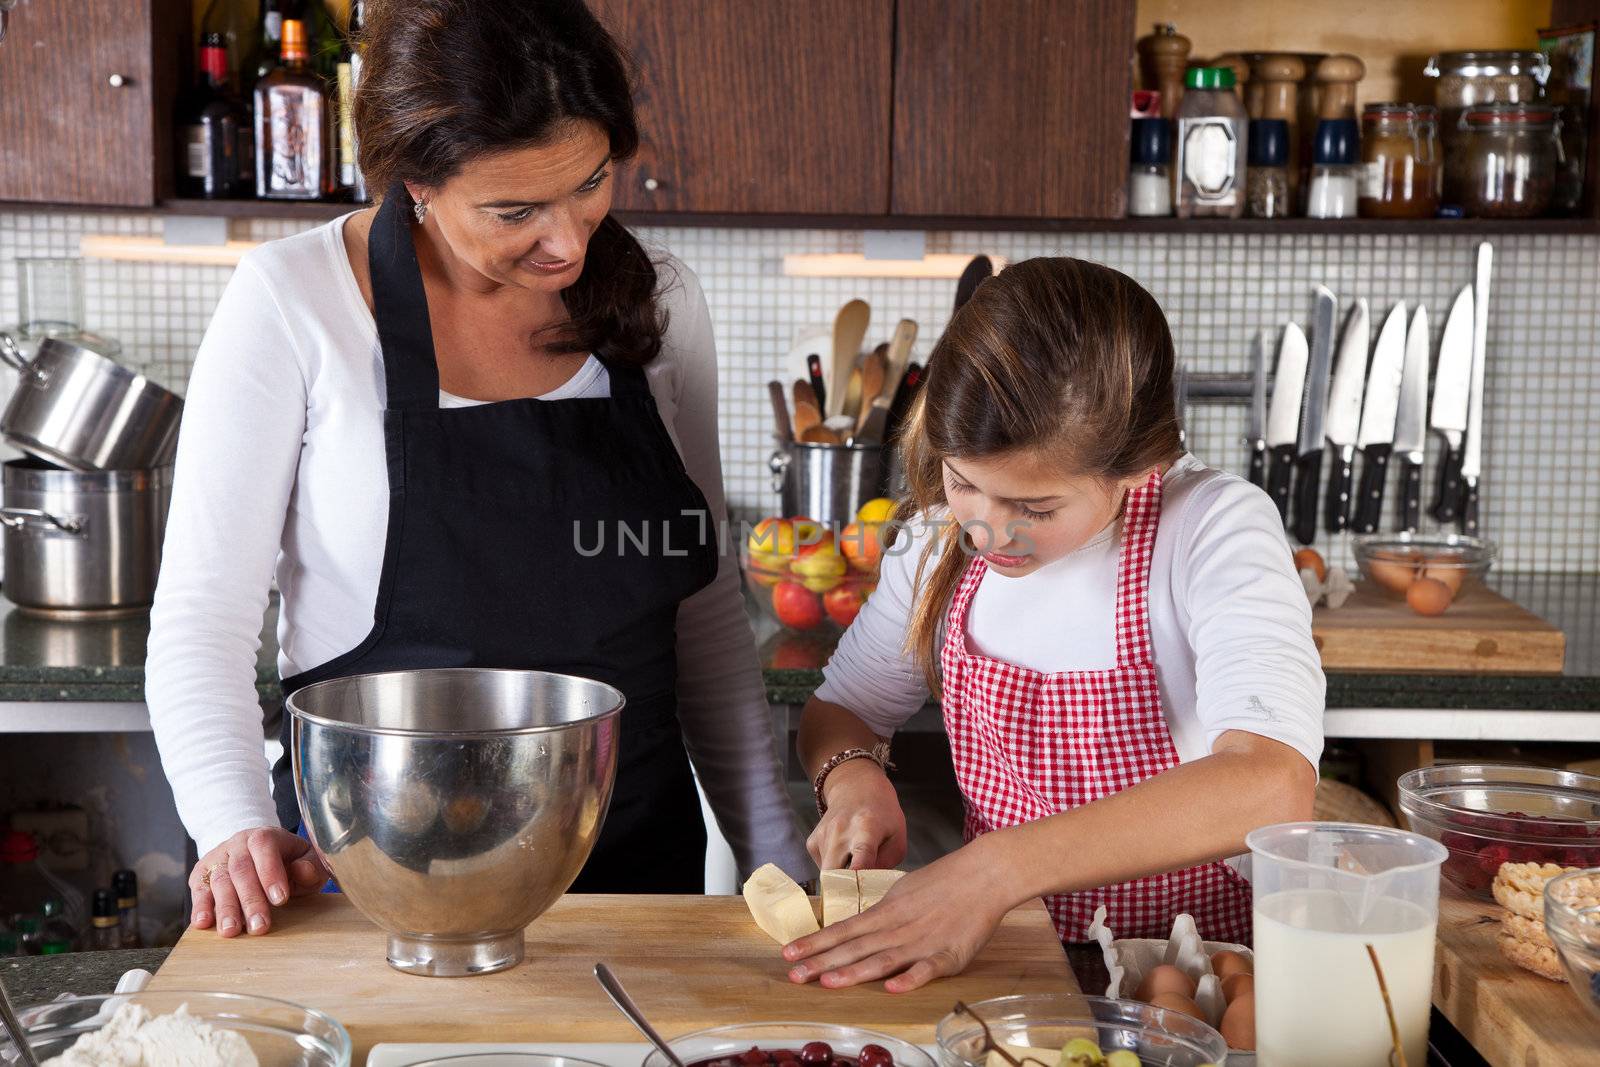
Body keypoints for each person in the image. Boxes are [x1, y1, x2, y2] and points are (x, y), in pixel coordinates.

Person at [146, 0, 807, 941]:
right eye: (514, 210)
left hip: (632, 883)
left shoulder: (658, 299)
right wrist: (232, 822)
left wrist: (779, 852)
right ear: (416, 180)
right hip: (377, 879)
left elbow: (698, 606)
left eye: (589, 183)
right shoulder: (294, 302)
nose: (568, 242)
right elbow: (202, 621)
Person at [785, 257, 1323, 991]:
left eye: (1034, 509)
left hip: (1191, 982)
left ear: (1138, 468)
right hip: (1001, 966)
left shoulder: (1210, 525)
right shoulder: (939, 538)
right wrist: (851, 780)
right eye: (963, 481)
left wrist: (993, 871)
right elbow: (843, 707)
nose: (987, 534)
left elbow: (1270, 782)